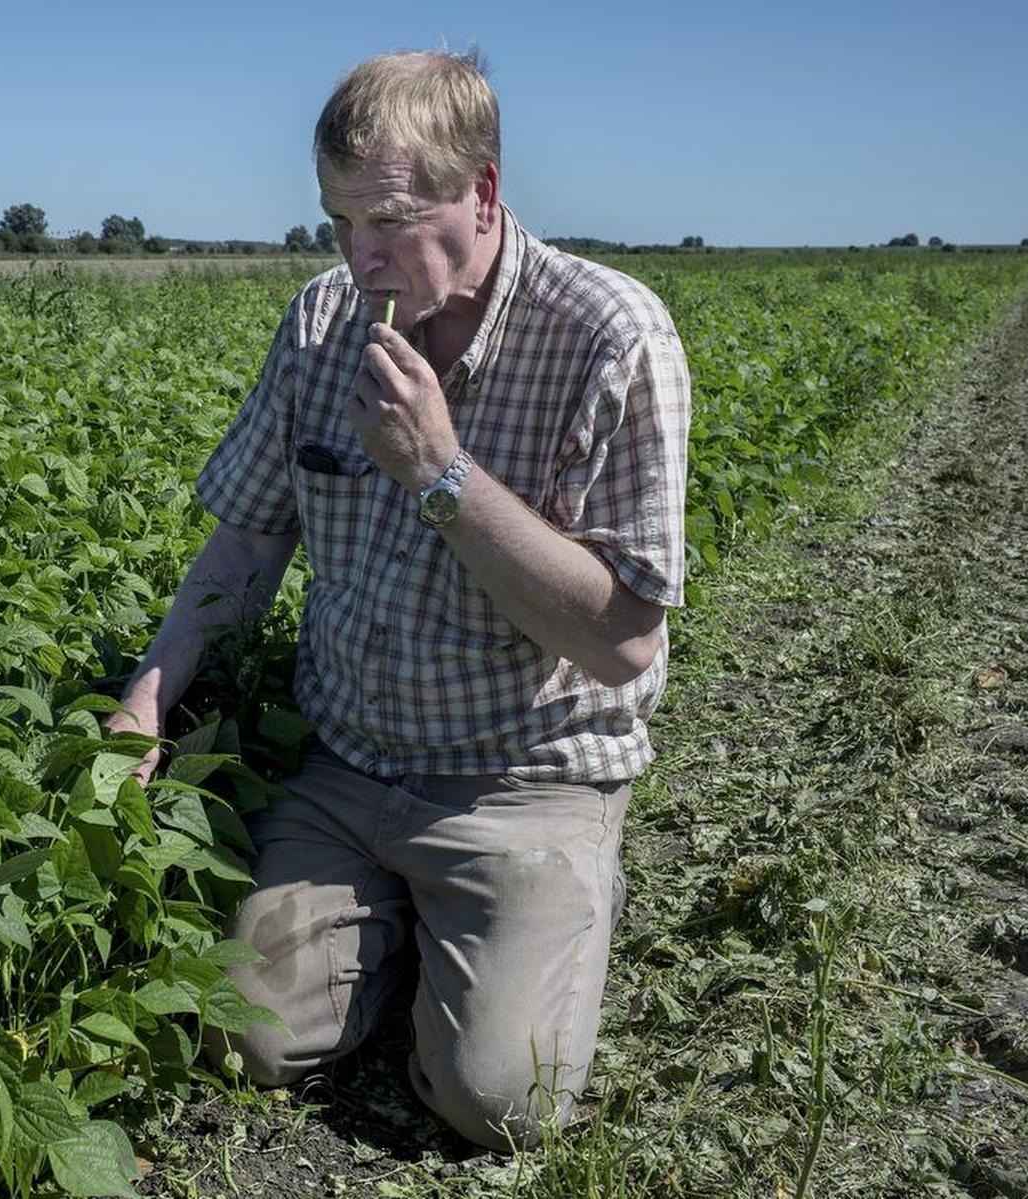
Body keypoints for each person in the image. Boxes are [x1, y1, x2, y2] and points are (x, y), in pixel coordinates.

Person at [104, 48, 690, 1150]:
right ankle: (417, 923)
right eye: (338, 221)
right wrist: (147, 692)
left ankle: (554, 889)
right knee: (250, 1041)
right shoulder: (326, 320)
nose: (360, 256)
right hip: (350, 759)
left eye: (389, 221)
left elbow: (622, 640)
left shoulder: (609, 334)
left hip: (524, 767)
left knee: (498, 1102)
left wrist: (442, 473)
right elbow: (248, 540)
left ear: (484, 190)